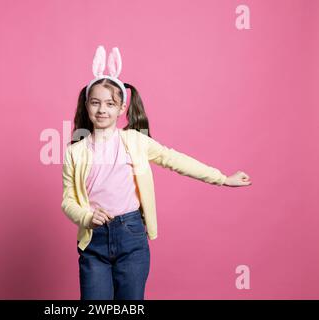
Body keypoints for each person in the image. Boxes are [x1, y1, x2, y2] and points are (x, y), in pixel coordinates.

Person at [61, 45, 252, 300]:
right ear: (86, 106)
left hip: (131, 236)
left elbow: (174, 159)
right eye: (95, 103)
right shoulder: (75, 151)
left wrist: (222, 178)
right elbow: (68, 201)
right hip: (93, 241)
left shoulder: (136, 141)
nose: (102, 109)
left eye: (110, 103)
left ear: (121, 109)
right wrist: (86, 216)